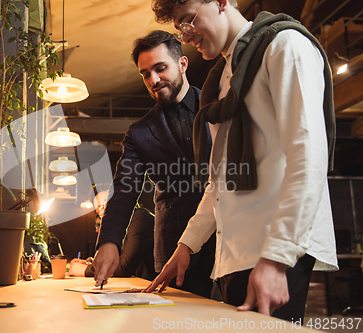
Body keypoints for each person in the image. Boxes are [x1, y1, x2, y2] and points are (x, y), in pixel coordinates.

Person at [144, 0, 338, 323]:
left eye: (189, 20)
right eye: (180, 27)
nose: (186, 35)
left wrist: (277, 259)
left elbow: (309, 156)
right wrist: (186, 247)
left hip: (275, 249)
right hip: (235, 255)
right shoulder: (221, 79)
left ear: (221, 2)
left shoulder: (284, 45)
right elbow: (220, 178)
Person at [93, 30, 215, 297]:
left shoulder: (217, 107)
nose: (153, 80)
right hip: (173, 251)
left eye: (160, 69)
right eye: (145, 74)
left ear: (182, 64)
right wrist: (110, 241)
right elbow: (124, 191)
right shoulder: (139, 132)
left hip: (227, 240)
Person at [68, 192, 156, 280]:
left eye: (103, 205)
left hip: (156, 288)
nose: (101, 212)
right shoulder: (121, 225)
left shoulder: (138, 217)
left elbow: (124, 268)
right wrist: (92, 264)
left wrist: (85, 270)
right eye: (98, 209)